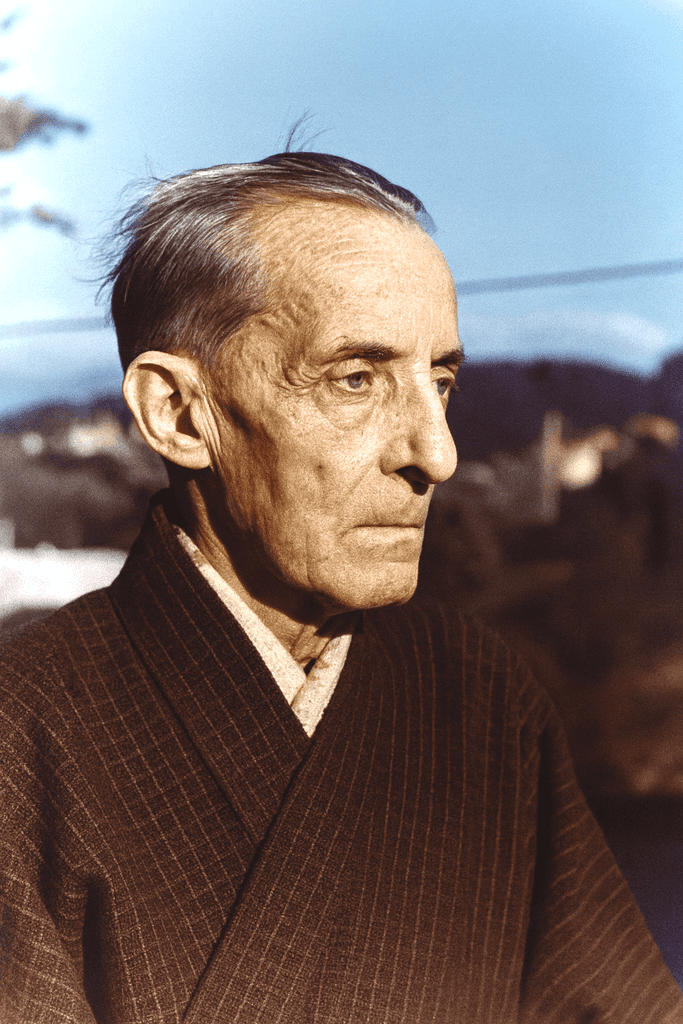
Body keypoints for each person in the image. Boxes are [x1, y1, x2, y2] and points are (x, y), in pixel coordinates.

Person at [0, 151, 681, 1024]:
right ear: (177, 413)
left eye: (441, 382)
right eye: (355, 379)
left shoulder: (477, 699)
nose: (437, 454)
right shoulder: (25, 735)